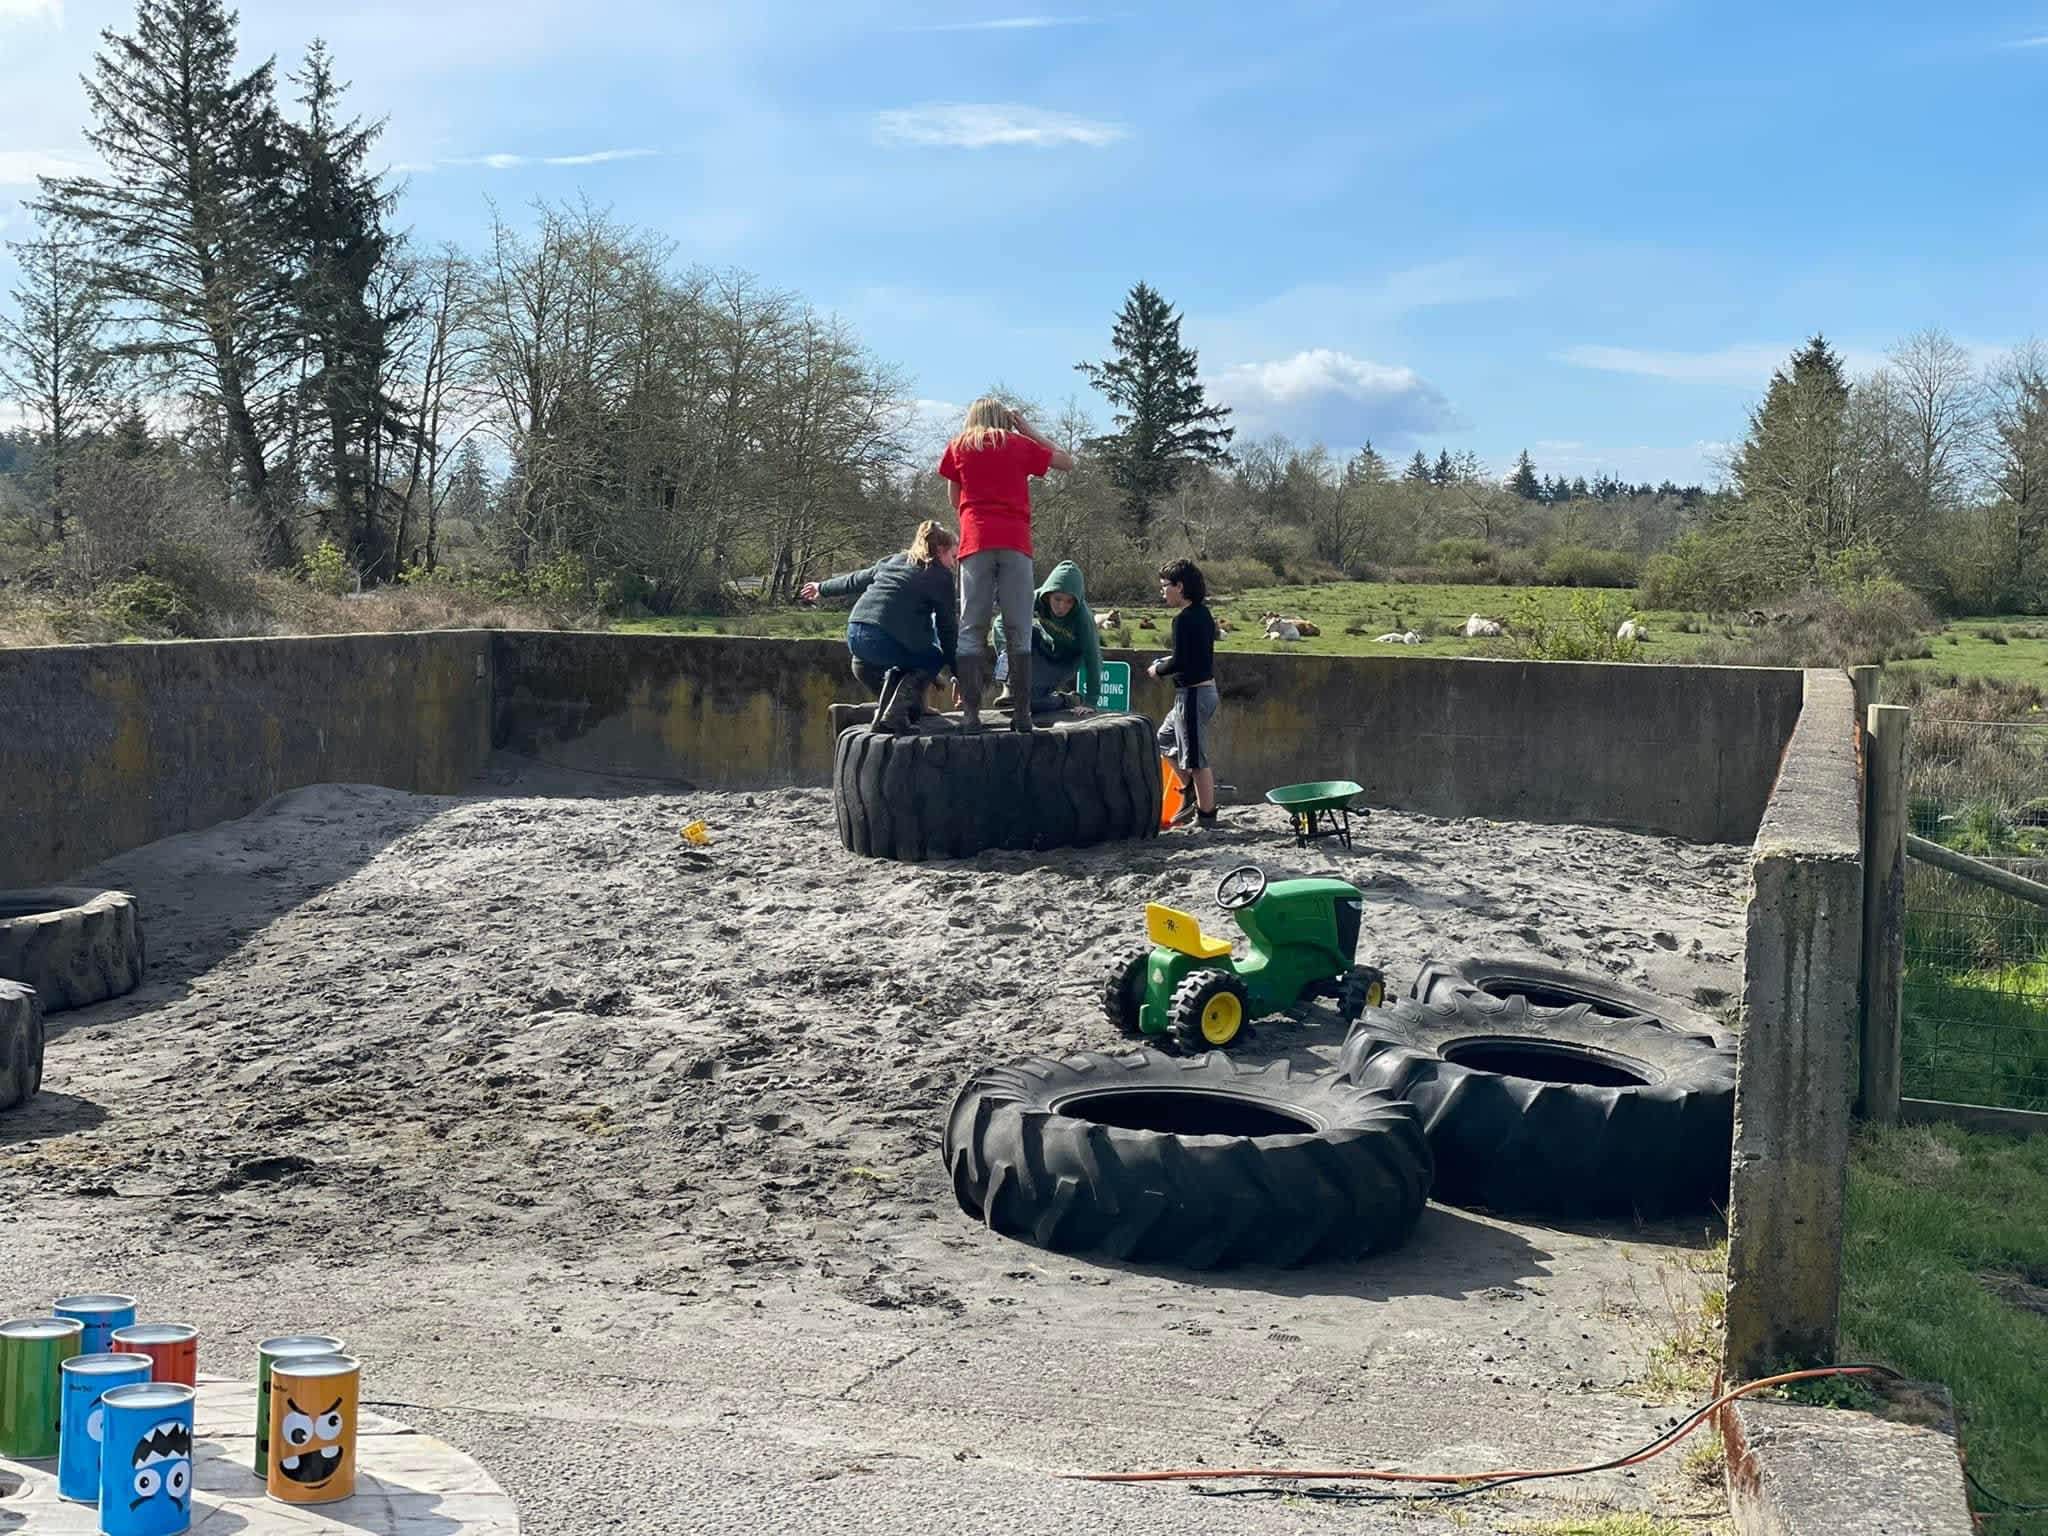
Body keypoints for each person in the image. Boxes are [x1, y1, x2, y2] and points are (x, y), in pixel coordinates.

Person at [937, 399, 1073, 732]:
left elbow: (954, 499)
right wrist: (1028, 429)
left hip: (975, 542)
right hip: (1015, 542)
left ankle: (970, 716)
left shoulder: (959, 446)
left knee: (972, 627)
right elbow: (1067, 462)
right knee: (1018, 627)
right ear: (1006, 420)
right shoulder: (1018, 444)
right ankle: (1022, 715)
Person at [800, 521, 960, 734]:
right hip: (884, 638)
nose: (954, 564)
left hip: (856, 634)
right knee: (933, 657)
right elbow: (947, 629)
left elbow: (857, 579)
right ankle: (895, 714)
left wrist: (822, 588)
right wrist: (959, 673)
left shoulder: (895, 560)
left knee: (906, 670)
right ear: (940, 550)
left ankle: (885, 715)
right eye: (953, 557)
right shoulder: (940, 576)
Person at [1149, 557, 1220, 829]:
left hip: (1192, 695)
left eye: (1165, 586)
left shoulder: (1182, 620)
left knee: (1196, 759)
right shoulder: (1203, 614)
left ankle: (1206, 815)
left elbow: (1180, 661)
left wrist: (1158, 669)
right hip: (1201, 693)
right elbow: (1192, 655)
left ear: (1179, 586)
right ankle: (1190, 789)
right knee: (1163, 738)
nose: (1163, 591)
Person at [993, 560, 1104, 714]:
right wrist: (1006, 651)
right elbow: (1001, 621)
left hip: (1065, 661)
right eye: (1057, 599)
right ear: (1048, 594)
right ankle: (1009, 688)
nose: (1062, 607)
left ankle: (1069, 700)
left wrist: (1091, 702)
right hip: (1044, 647)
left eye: (1069, 601)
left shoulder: (1083, 617)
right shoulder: (1037, 597)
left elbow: (1094, 658)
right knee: (1020, 632)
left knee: (1031, 702)